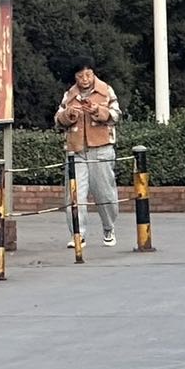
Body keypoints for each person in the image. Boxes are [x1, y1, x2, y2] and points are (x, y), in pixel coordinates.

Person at [55, 60, 121, 247]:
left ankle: (108, 228)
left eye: (88, 75)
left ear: (94, 74)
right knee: (74, 195)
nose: (84, 79)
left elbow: (117, 115)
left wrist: (98, 111)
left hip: (101, 148)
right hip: (75, 150)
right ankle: (78, 234)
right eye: (80, 76)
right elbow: (58, 120)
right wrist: (68, 115)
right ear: (75, 77)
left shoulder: (106, 90)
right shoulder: (69, 94)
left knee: (105, 193)